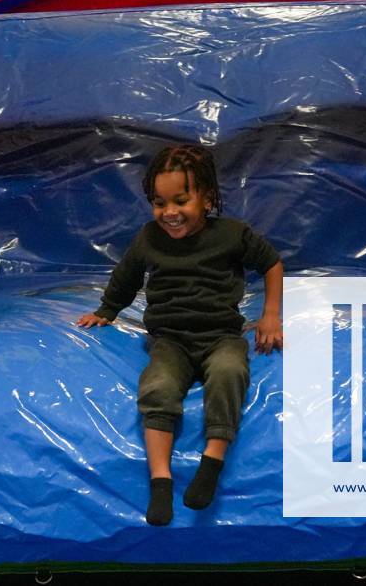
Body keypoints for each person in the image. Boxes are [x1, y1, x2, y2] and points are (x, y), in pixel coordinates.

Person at [78, 145, 283, 526]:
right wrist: (106, 311)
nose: (169, 212)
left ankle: (212, 462)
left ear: (206, 198)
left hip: (221, 334)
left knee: (228, 373)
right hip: (170, 338)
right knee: (157, 384)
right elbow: (126, 277)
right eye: (159, 203)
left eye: (180, 200)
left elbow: (271, 263)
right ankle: (160, 480)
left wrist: (270, 316)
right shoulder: (148, 238)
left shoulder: (232, 234)